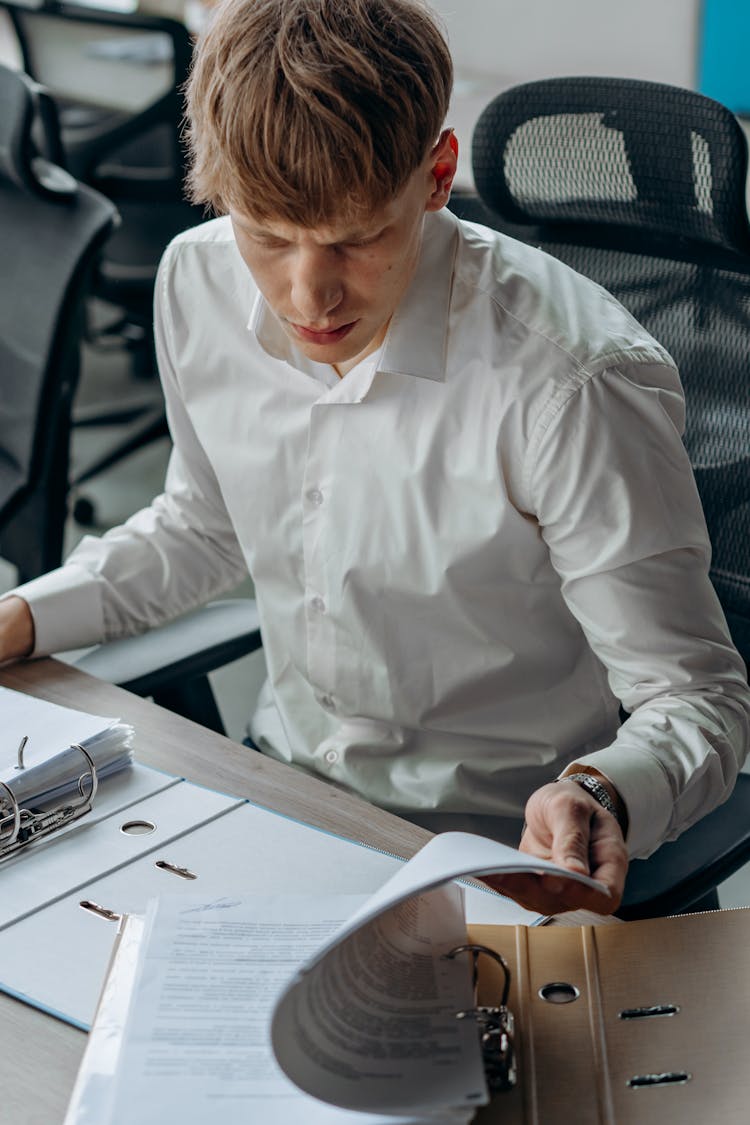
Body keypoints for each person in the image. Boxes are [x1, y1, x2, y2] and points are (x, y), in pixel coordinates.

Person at [1, 0, 748, 916]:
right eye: (267, 236)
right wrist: (25, 615)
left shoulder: (573, 382)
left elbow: (699, 697)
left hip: (494, 848)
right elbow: (204, 524)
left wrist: (602, 792)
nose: (306, 294)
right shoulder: (196, 280)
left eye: (356, 238)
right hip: (284, 798)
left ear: (437, 175)